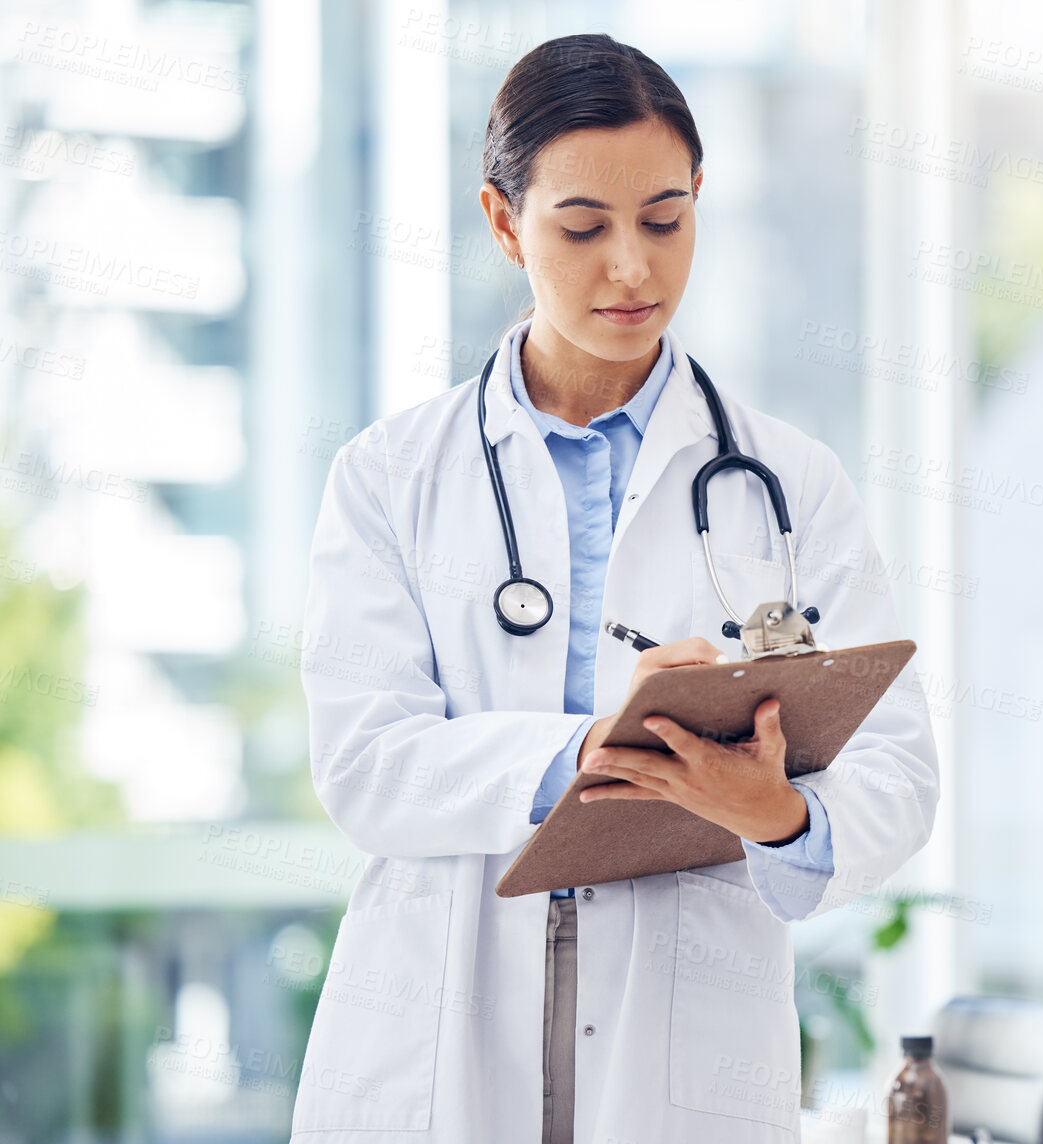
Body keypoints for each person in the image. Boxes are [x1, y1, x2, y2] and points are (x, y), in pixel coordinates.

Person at [291, 33, 939, 1144]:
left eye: (665, 219)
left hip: (683, 1073)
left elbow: (897, 773)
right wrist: (580, 752)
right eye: (582, 228)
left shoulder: (789, 484)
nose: (631, 267)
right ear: (503, 223)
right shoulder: (390, 477)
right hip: (436, 1060)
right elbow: (364, 765)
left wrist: (776, 816)